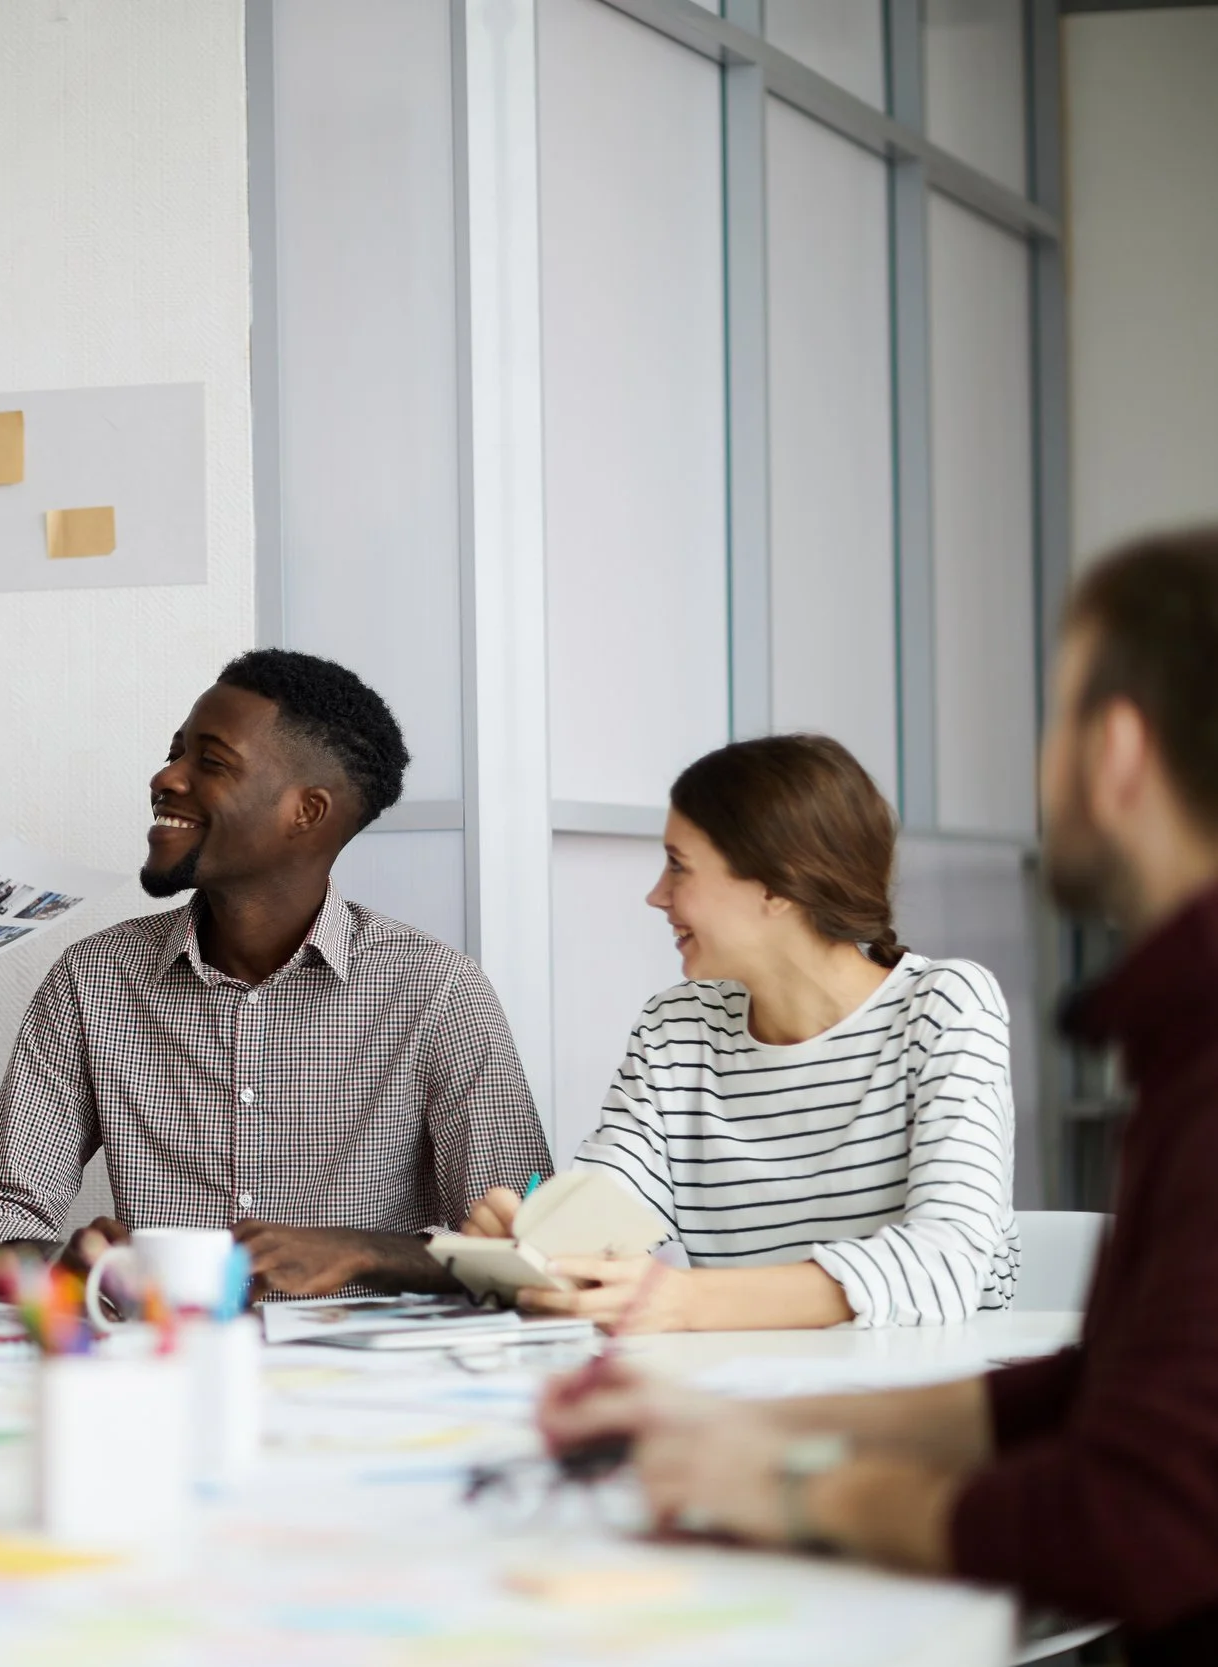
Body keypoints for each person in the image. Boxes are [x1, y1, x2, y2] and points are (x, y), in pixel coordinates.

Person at [536, 527, 1218, 1663]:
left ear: (1118, 750)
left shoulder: (1107, 1032)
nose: (655, 895)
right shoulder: (1176, 1028)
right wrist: (770, 1426)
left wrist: (803, 1486)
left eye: (1052, 717)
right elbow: (1113, 1388)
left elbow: (1142, 1513)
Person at [0, 649, 553, 1297]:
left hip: (367, 1385)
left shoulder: (436, 990)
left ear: (306, 811)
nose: (166, 777)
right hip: (163, 1367)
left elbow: (528, 1247)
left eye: (211, 762)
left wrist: (365, 1255)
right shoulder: (94, 978)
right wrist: (59, 1265)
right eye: (175, 751)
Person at [460, 734, 1018, 1330]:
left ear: (778, 885)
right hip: (739, 1399)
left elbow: (948, 1260)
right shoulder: (676, 1029)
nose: (656, 895)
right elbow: (606, 1220)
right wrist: (538, 1247)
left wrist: (686, 1300)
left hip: (927, 1402)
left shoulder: (944, 1005)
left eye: (679, 865)